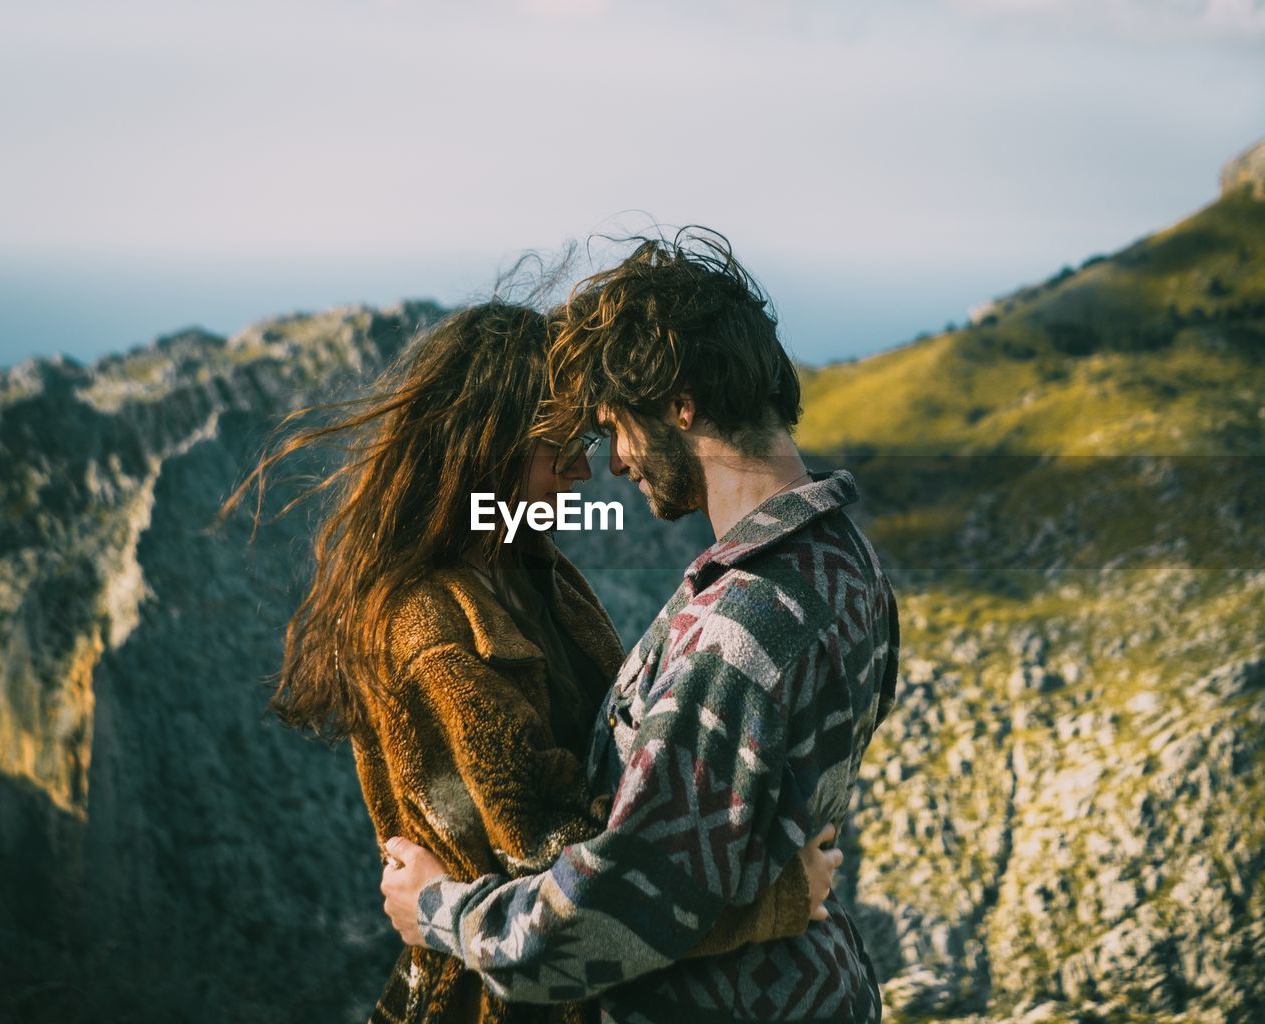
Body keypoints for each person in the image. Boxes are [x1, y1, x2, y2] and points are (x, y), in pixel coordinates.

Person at [225, 301, 842, 1024]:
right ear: (489, 450)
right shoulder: (427, 631)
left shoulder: (530, 568)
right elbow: (547, 868)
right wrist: (770, 900)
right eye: (562, 445)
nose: (588, 470)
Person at [380, 234, 899, 1023]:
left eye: (616, 425)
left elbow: (609, 917)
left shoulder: (741, 632)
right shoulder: (850, 566)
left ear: (680, 403)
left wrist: (436, 913)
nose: (614, 461)